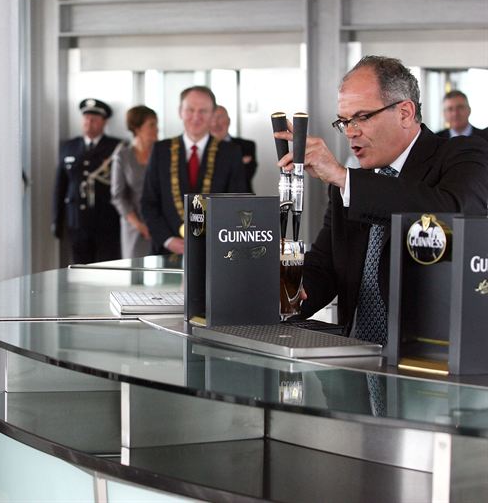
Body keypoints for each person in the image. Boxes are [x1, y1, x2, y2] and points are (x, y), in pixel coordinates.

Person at [275, 56, 488, 346]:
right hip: (356, 357)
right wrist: (285, 291)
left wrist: (344, 178)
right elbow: (326, 267)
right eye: (344, 121)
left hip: (428, 357)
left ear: (405, 113)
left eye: (362, 117)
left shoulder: (462, 155)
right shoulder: (349, 186)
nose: (351, 132)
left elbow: (452, 214)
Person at [141, 86, 248, 255]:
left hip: (215, 251)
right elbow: (148, 202)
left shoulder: (230, 152)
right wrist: (168, 240)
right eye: (190, 110)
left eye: (203, 111)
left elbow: (238, 203)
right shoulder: (161, 150)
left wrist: (216, 239)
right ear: (180, 112)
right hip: (166, 252)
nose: (196, 117)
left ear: (213, 114)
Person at [52, 98, 122, 264]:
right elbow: (60, 186)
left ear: (104, 122)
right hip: (77, 220)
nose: (89, 123)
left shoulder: (116, 147)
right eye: (86, 118)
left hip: (107, 221)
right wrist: (56, 220)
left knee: (108, 266)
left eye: (94, 119)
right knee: (80, 268)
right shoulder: (69, 146)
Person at [110, 105, 158, 258]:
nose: (157, 129)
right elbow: (118, 196)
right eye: (151, 125)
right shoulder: (122, 156)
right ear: (137, 128)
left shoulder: (162, 152)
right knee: (135, 268)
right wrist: (138, 225)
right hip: (134, 226)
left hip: (161, 225)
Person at [209, 105, 258, 193]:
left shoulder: (247, 146)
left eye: (219, 117)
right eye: (211, 118)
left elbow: (245, 176)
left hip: (240, 199)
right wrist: (236, 162)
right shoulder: (198, 149)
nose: (215, 123)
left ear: (229, 121)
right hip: (207, 200)